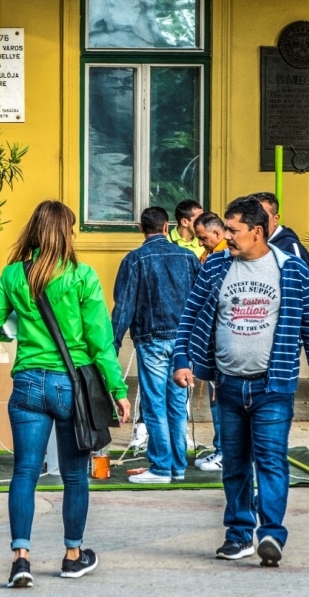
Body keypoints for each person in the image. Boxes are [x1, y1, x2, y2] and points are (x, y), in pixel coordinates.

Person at [0, 200, 130, 588]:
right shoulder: (82, 276)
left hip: (28, 381)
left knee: (25, 472)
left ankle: (21, 559)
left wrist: (14, 330)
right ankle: (73, 555)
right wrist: (118, 389)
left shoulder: (14, 275)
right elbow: (101, 342)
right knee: (76, 477)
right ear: (66, 232)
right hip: (70, 386)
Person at [173, 197, 309, 567]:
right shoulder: (215, 268)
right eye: (225, 229)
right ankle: (239, 534)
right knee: (236, 464)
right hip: (226, 385)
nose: (225, 236)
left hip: (272, 386)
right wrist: (182, 359)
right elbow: (190, 315)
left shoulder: (289, 268)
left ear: (257, 232)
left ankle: (271, 532)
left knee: (272, 460)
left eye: (233, 230)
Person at [112, 206, 200, 485]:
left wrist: (111, 348)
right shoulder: (188, 257)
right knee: (177, 404)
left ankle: (161, 467)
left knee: (154, 404)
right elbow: (202, 302)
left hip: (151, 340)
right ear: (166, 227)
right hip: (184, 342)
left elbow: (123, 307)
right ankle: (177, 466)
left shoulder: (134, 259)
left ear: (141, 229)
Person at [191, 211, 228, 472]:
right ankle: (221, 448)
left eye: (203, 238)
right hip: (213, 342)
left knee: (221, 397)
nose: (201, 242)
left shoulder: (223, 259)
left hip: (223, 345)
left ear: (217, 233)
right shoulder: (211, 257)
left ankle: (226, 451)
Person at [246, 192, 309, 269]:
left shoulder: (290, 248)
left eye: (262, 216)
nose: (255, 221)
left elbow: (298, 279)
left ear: (275, 219)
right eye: (251, 216)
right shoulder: (244, 245)